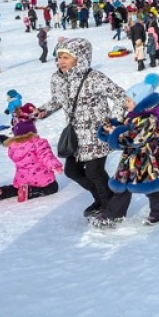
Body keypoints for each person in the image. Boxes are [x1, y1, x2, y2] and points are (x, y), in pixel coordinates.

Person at [36, 38, 128, 218]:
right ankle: (102, 199)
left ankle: (112, 209)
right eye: (59, 57)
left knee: (95, 172)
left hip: (96, 135)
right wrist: (42, 110)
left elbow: (120, 97)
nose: (60, 61)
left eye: (66, 57)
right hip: (75, 135)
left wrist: (113, 122)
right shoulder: (57, 78)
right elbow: (57, 100)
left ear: (80, 58)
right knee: (72, 171)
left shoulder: (95, 78)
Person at [91, 82, 159, 227]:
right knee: (122, 186)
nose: (125, 103)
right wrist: (112, 127)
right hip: (130, 158)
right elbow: (125, 127)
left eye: (129, 100)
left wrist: (113, 134)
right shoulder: (133, 115)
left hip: (147, 158)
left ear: (140, 102)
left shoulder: (149, 119)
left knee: (151, 186)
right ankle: (113, 216)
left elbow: (133, 138)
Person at [0, 118, 63, 205]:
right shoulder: (38, 143)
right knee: (53, 187)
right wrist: (55, 165)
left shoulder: (13, 147)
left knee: (15, 189)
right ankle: (30, 192)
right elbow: (46, 155)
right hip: (42, 178)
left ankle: (1, 192)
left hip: (22, 179)